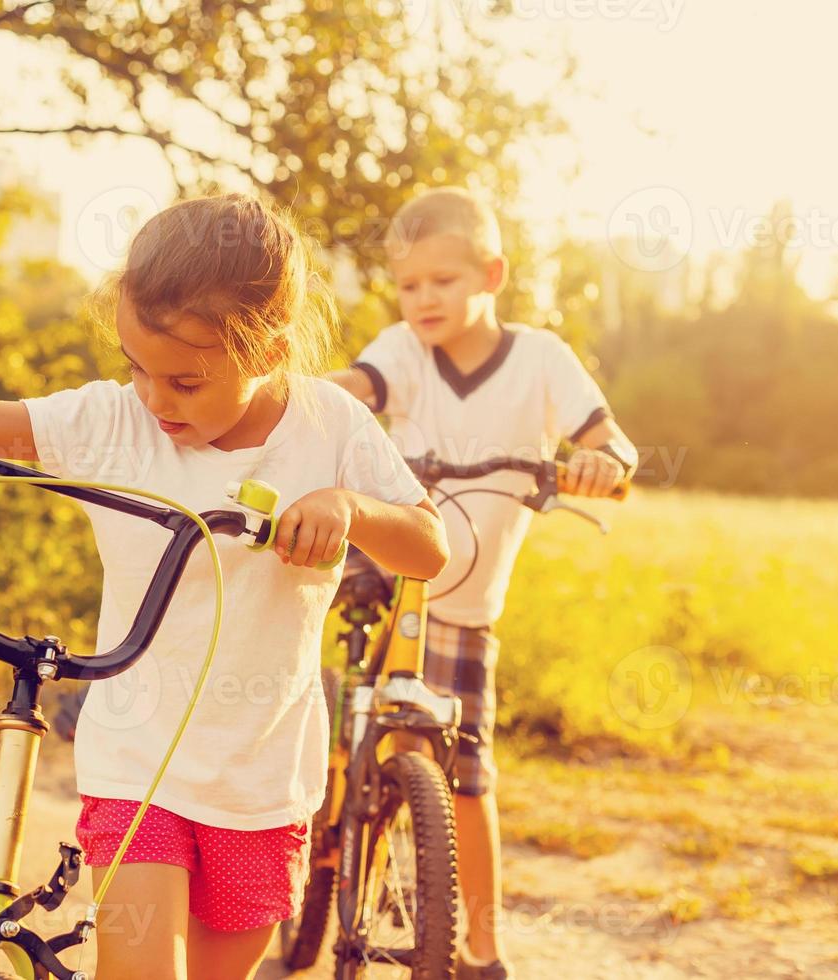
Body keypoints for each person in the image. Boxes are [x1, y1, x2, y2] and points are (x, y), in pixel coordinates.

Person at [0, 194, 451, 980]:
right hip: (136, 759)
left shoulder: (331, 425)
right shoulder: (115, 421)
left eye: (186, 382)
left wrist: (350, 508)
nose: (155, 400)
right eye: (137, 368)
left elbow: (429, 549)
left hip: (262, 778)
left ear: (270, 351)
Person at [331, 187, 637, 980]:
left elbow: (614, 444)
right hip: (391, 568)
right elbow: (353, 390)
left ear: (491, 274)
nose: (424, 299)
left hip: (468, 606)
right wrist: (297, 400)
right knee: (355, 725)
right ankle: (333, 868)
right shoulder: (401, 350)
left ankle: (484, 947)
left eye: (444, 281)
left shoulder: (541, 359)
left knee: (466, 777)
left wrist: (607, 464)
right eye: (409, 284)